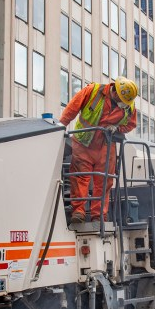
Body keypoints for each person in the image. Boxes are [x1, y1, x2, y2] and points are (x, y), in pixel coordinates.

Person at [60, 77, 138, 225]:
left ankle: (99, 215)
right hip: (84, 143)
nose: (122, 105)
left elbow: (131, 124)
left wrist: (118, 129)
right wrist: (60, 126)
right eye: (120, 100)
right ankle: (79, 212)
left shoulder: (129, 105)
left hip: (105, 146)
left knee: (104, 182)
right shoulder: (93, 91)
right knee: (80, 177)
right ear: (114, 90)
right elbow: (72, 108)